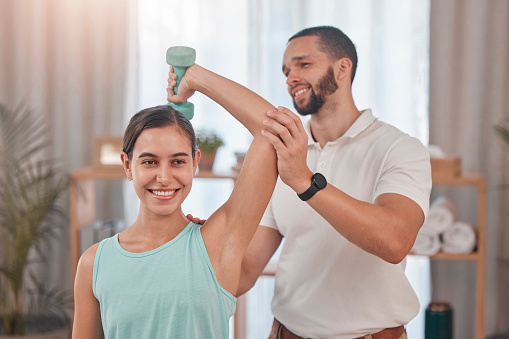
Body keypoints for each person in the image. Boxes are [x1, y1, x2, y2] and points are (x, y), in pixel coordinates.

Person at [71, 63, 301, 338]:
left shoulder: (216, 243)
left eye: (178, 161)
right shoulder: (94, 263)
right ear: (127, 165)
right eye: (150, 162)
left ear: (195, 163)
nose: (164, 177)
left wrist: (196, 78)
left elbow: (271, 125)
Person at [239, 26, 432, 339]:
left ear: (343, 68)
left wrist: (304, 181)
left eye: (303, 64)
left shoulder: (398, 148)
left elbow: (395, 241)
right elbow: (245, 270)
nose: (290, 79)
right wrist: (196, 244)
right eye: (287, 71)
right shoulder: (283, 154)